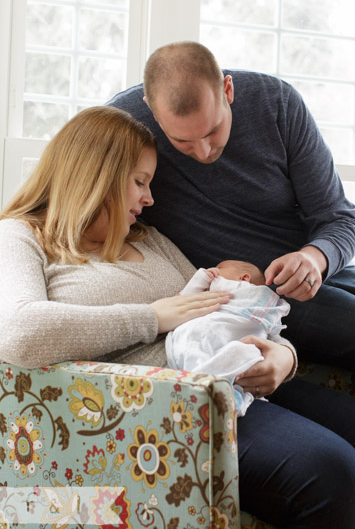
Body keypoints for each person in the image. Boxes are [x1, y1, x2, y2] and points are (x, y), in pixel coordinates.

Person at [107, 40, 355, 529]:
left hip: (309, 269)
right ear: (151, 113)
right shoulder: (125, 122)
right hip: (243, 296)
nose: (204, 151)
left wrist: (314, 257)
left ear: (229, 90)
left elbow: (339, 220)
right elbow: (79, 187)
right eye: (183, 143)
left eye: (213, 132)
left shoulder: (277, 104)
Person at [0, 106, 234, 369]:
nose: (150, 199)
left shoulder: (147, 238)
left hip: (230, 382)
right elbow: (18, 333)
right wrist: (152, 318)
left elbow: (217, 300)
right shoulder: (20, 235)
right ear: (97, 176)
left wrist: (281, 354)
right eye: (139, 181)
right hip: (151, 403)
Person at [166, 260, 294, 416]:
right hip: (214, 335)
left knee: (241, 353)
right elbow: (181, 300)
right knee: (199, 346)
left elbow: (272, 334)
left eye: (220, 269)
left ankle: (209, 388)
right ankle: (216, 390)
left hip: (238, 335)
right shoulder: (234, 291)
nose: (212, 271)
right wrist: (201, 278)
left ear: (244, 279)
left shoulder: (246, 292)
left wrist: (287, 355)